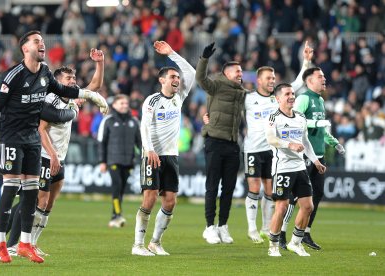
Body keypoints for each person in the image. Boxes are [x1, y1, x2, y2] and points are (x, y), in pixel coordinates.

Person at [0, 30, 108, 264]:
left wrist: (90, 95)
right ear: (25, 48)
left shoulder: (45, 73)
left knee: (31, 192)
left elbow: (68, 91)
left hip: (31, 140)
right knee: (12, 187)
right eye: (37, 41)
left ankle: (26, 243)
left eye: (43, 41)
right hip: (12, 137)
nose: (42, 45)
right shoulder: (13, 75)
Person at [32, 49, 105, 256]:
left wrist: (100, 63)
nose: (73, 80)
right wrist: (53, 155)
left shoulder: (72, 99)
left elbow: (95, 87)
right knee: (41, 200)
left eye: (73, 77)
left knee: (50, 204)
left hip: (59, 158)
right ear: (58, 81)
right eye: (68, 78)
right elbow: (41, 129)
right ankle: (23, 243)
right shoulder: (51, 100)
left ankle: (34, 244)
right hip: (46, 156)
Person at [0, 100, 80, 254]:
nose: (72, 82)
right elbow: (51, 117)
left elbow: (91, 87)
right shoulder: (47, 96)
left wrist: (84, 98)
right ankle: (11, 244)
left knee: (32, 200)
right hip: (33, 152)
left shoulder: (63, 96)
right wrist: (73, 111)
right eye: (69, 78)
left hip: (44, 153)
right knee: (27, 199)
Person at [243, 41, 314, 244]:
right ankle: (251, 229)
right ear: (258, 80)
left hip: (273, 151)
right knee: (254, 187)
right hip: (253, 148)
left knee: (269, 191)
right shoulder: (248, 98)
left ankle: (266, 226)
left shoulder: (278, 98)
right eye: (268, 78)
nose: (272, 81)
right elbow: (228, 106)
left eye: (274, 78)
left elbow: (299, 82)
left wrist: (306, 61)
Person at [132, 41, 195, 256]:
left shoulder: (179, 98)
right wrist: (149, 150)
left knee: (170, 201)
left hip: (171, 155)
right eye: (172, 77)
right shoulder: (152, 101)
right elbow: (144, 126)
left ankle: (155, 242)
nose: (177, 79)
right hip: (152, 154)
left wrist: (171, 53)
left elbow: (191, 71)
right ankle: (137, 245)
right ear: (162, 80)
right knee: (149, 198)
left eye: (177, 77)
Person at [279, 67, 345, 250]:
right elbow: (295, 121)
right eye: (320, 76)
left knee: (317, 194)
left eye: (324, 75)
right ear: (309, 81)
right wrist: (317, 122)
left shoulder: (321, 100)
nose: (324, 79)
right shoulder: (303, 98)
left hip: (319, 155)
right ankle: (282, 234)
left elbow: (321, 131)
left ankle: (305, 232)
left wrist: (334, 143)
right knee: (294, 196)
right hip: (303, 155)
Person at [266, 83, 326, 257]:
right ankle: (273, 246)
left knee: (308, 206)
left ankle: (295, 243)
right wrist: (289, 144)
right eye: (287, 94)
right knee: (282, 207)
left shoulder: (300, 117)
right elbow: (271, 139)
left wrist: (315, 161)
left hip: (300, 167)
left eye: (292, 93)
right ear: (278, 98)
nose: (291, 96)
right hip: (282, 167)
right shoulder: (273, 117)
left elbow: (305, 142)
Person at [196, 42, 245, 244]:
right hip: (214, 141)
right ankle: (209, 227)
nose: (241, 73)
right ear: (226, 73)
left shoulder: (241, 92)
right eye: (237, 70)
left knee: (229, 188)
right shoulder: (216, 84)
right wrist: (204, 58)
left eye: (241, 71)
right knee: (212, 186)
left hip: (233, 143)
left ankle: (223, 226)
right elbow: (200, 78)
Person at [98, 94, 141, 228]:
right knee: (117, 186)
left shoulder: (134, 121)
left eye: (126, 103)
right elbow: (101, 142)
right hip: (113, 160)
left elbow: (140, 143)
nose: (124, 105)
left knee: (121, 189)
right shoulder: (108, 120)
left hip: (128, 161)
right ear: (115, 105)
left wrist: (142, 158)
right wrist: (102, 161)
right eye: (121, 103)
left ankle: (113, 217)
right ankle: (118, 215)